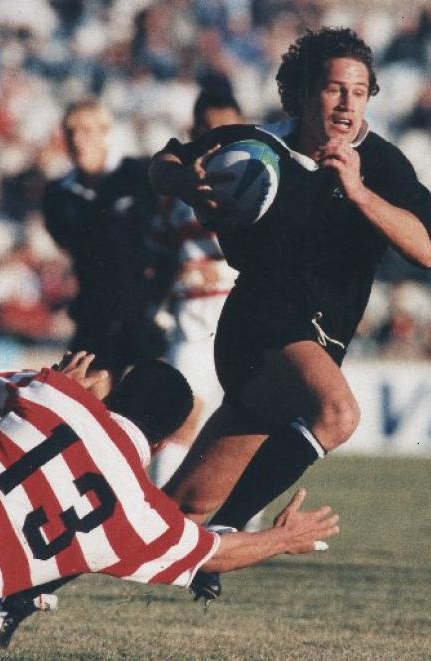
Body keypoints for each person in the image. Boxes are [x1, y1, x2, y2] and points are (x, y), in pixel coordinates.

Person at [149, 27, 431, 596]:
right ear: (303, 94)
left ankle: (26, 588)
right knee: (337, 413)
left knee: (176, 511)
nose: (348, 103)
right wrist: (182, 180)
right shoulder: (256, 146)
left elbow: (426, 246)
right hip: (259, 328)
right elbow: (165, 162)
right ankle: (229, 537)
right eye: (333, 89)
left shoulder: (381, 165)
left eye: (359, 91)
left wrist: (359, 193)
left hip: (310, 350)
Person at [0, 351, 338, 648]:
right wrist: (283, 538)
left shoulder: (51, 399)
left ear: (113, 397)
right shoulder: (140, 516)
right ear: (163, 443)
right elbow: (214, 554)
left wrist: (62, 383)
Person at [150, 89, 243, 487]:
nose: (217, 137)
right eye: (207, 129)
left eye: (226, 127)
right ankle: (162, 520)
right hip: (194, 323)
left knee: (241, 427)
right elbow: (157, 255)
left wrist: (218, 274)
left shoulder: (257, 178)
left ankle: (235, 523)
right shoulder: (175, 194)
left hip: (244, 315)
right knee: (180, 420)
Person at [43, 98, 168, 387]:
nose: (77, 139)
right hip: (94, 313)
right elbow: (67, 245)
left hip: (145, 312)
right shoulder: (58, 195)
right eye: (70, 131)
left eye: (86, 130)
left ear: (105, 133)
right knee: (86, 396)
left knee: (144, 402)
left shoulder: (139, 176)